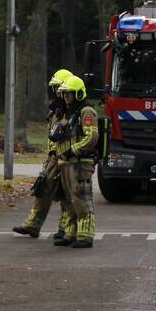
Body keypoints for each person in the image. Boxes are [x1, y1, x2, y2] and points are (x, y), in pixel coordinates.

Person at [12, 69, 75, 239]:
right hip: (54, 157)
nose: (56, 92)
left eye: (58, 88)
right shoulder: (56, 109)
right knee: (42, 188)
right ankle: (33, 225)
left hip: (69, 158)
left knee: (67, 195)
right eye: (55, 88)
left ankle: (64, 229)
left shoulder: (74, 110)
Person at [53, 75, 98, 248]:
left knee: (81, 198)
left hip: (80, 162)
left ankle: (85, 236)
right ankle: (70, 234)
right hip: (67, 163)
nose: (65, 97)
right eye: (64, 94)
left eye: (69, 94)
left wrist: (73, 150)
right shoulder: (68, 113)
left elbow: (91, 137)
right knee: (68, 201)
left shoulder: (87, 112)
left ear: (78, 94)